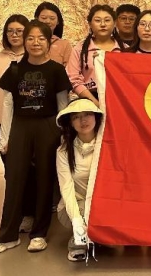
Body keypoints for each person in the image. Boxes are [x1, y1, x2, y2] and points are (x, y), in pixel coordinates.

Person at [0, 21, 72, 254]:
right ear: (25, 41)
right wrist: (5, 137)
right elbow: (8, 104)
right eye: (30, 38)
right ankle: (7, 236)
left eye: (41, 38)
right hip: (21, 126)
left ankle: (39, 234)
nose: (35, 43)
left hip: (48, 126)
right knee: (14, 179)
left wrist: (64, 135)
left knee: (44, 179)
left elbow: (63, 105)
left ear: (49, 42)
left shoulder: (56, 70)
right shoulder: (14, 69)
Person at [0, 14, 36, 233]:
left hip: (26, 123)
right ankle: (16, 215)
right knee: (11, 173)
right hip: (2, 123)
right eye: (10, 31)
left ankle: (30, 214)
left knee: (29, 172)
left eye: (19, 31)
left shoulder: (34, 56)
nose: (14, 35)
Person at [56, 98, 103, 261]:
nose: (83, 121)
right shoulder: (63, 152)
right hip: (75, 207)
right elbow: (67, 189)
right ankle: (80, 240)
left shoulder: (106, 146)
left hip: (102, 204)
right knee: (84, 215)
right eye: (76, 117)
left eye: (87, 114)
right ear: (70, 122)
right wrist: (76, 221)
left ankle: (96, 236)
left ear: (96, 117)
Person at [66, 5, 121, 107]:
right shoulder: (80, 49)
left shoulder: (124, 49)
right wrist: (96, 104)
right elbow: (74, 79)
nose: (103, 24)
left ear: (114, 23)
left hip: (119, 100)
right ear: (90, 24)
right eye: (98, 20)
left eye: (107, 20)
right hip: (90, 100)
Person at [35, 2, 73, 66]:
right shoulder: (29, 41)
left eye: (52, 18)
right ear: (36, 19)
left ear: (58, 21)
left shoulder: (64, 45)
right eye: (44, 18)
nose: (48, 21)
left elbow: (69, 69)